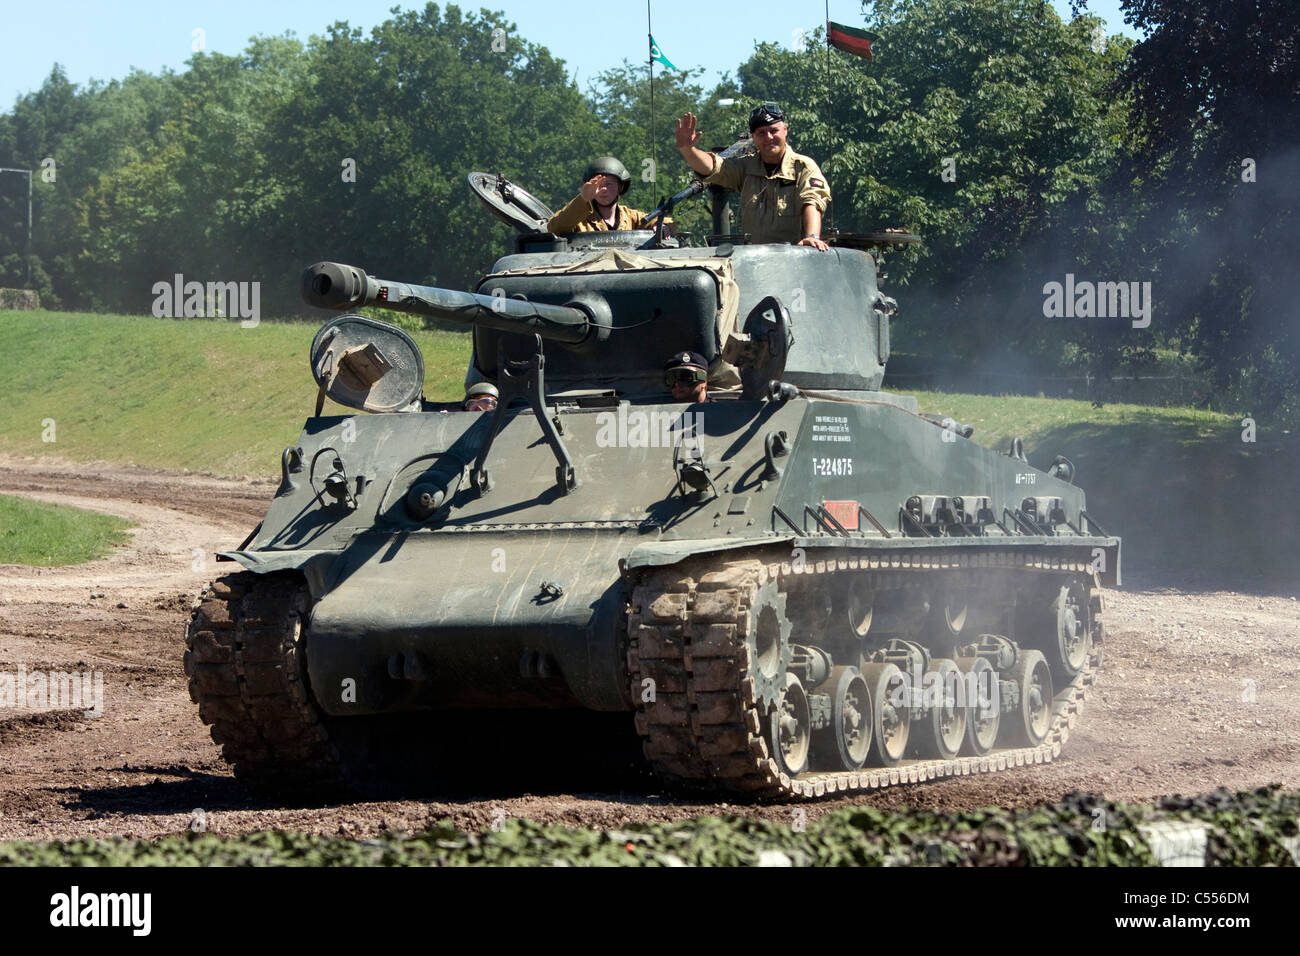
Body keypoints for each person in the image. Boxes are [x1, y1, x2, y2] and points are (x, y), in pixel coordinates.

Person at [675, 103, 830, 250]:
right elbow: (713, 167)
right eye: (761, 133)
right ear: (753, 137)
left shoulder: (803, 167)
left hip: (793, 262)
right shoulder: (746, 167)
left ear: (785, 130)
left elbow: (812, 202)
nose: (768, 137)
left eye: (774, 130)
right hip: (755, 263)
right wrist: (688, 150)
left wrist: (812, 236)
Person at [547, 157, 656, 234]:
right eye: (597, 184)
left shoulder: (630, 217)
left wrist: (661, 226)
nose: (603, 189)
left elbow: (663, 221)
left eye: (609, 184)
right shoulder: (578, 219)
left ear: (621, 187)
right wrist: (583, 199)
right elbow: (555, 228)